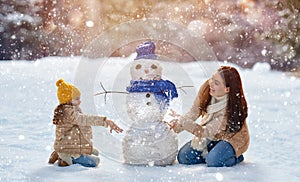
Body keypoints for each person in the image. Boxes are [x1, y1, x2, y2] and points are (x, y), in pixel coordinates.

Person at [169, 66, 249, 167]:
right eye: (212, 79)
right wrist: (176, 126)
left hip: (231, 139)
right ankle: (214, 151)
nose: (211, 83)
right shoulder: (207, 88)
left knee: (213, 161)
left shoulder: (229, 111)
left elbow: (204, 132)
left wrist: (183, 121)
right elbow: (194, 111)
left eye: (216, 83)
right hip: (212, 136)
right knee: (184, 157)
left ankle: (235, 156)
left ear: (227, 89)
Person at [48, 79, 123, 167]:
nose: (80, 101)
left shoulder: (68, 110)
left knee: (96, 152)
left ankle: (61, 152)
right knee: (95, 162)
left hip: (70, 144)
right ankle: (67, 158)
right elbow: (85, 119)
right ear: (68, 99)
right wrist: (104, 121)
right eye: (76, 99)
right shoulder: (69, 113)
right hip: (71, 148)